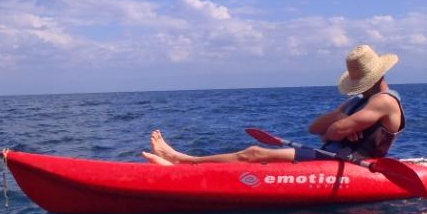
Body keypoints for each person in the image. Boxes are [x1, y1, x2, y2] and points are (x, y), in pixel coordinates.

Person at [142, 44, 406, 165]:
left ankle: (183, 161)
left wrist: (340, 128)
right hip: (330, 155)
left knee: (255, 153)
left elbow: (333, 132)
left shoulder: (383, 101)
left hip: (348, 164)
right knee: (258, 156)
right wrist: (340, 118)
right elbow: (315, 128)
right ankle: (185, 163)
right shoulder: (357, 101)